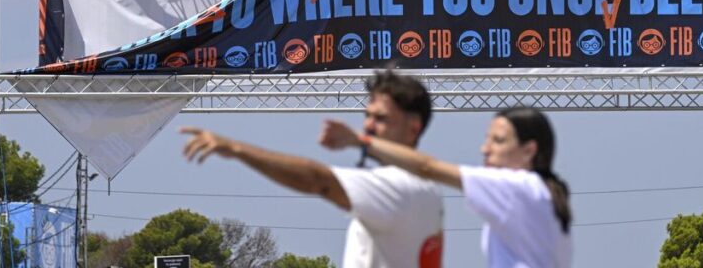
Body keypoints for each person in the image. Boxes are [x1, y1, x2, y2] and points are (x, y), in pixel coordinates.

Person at [182, 70, 443, 268]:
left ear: (413, 127)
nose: (369, 127)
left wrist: (237, 149)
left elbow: (319, 181)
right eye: (368, 116)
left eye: (382, 119)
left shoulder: (399, 185)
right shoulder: (425, 188)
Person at [322, 106, 573, 268]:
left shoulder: (518, 187)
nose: (484, 149)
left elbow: (428, 167)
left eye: (498, 141)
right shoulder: (542, 193)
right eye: (487, 139)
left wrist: (362, 142)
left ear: (529, 150)